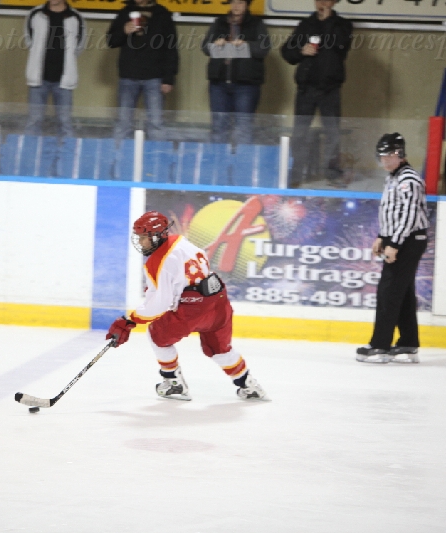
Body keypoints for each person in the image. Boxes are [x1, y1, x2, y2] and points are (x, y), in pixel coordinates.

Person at [106, 211, 269, 401]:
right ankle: (249, 385)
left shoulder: (157, 263)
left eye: (144, 237)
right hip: (219, 301)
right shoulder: (179, 240)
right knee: (219, 349)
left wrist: (129, 320)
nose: (140, 242)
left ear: (156, 236)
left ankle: (174, 384)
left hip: (192, 311)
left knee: (157, 335)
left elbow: (160, 304)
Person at [357, 133, 429, 364]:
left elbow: (409, 216)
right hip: (400, 238)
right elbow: (392, 212)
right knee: (402, 291)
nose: (385, 160)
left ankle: (380, 345)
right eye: (382, 156)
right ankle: (408, 342)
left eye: (389, 155)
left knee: (388, 291)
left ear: (400, 154)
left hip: (409, 240)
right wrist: (382, 236)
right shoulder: (393, 178)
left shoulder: (409, 179)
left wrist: (395, 243)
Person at [280, 0, 352, 188]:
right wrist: (301, 51)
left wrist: (328, 21)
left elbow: (342, 47)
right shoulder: (306, 24)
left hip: (330, 89)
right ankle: (296, 174)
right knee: (300, 133)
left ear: (334, 2)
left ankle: (332, 173)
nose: (322, 3)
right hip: (306, 88)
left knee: (333, 134)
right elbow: (286, 52)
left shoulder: (343, 25)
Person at [107, 0, 179, 141]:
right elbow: (111, 41)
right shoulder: (125, 12)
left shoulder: (162, 14)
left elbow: (171, 48)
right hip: (128, 75)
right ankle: (119, 153)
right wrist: (124, 31)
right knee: (123, 122)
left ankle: (157, 154)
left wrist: (168, 78)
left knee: (156, 123)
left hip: (155, 77)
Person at [201, 0, 270, 145]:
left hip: (245, 84)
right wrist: (215, 44)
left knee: (243, 128)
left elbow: (263, 49)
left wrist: (246, 45)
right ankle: (219, 158)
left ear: (247, 5)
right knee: (218, 126)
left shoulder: (256, 24)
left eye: (240, 2)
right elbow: (205, 47)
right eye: (233, 2)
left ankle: (243, 159)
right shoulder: (219, 22)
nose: (236, 6)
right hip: (219, 82)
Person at [24, 0, 86, 138]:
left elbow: (79, 46)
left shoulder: (75, 17)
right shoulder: (35, 14)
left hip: (64, 80)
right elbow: (29, 41)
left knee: (65, 122)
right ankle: (30, 150)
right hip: (38, 79)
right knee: (34, 120)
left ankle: (66, 151)